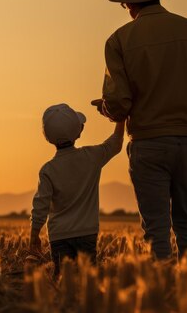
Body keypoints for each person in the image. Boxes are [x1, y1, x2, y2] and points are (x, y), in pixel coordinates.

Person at [92, 0, 187, 260]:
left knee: (156, 228)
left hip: (148, 142)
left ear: (129, 4)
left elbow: (119, 101)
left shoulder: (119, 40)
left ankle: (162, 291)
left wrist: (106, 108)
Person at [29, 103, 124, 275]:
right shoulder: (91, 157)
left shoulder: (48, 170)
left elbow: (40, 205)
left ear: (48, 138)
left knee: (63, 281)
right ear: (78, 132)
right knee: (87, 280)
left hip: (59, 236)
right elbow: (116, 143)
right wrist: (121, 117)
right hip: (87, 233)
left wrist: (34, 235)